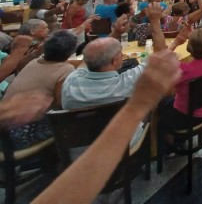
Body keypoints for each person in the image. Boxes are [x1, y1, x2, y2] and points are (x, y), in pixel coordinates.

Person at [32, 50, 181, 204]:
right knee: (154, 112)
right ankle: (154, 151)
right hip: (123, 143)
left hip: (77, 149)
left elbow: (81, 66)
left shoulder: (70, 81)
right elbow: (154, 66)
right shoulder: (128, 82)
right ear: (115, 61)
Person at [3, 30, 78, 149]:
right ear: (70, 52)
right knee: (76, 124)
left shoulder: (33, 62)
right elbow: (61, 104)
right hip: (21, 135)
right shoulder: (66, 69)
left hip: (5, 131)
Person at [157, 27, 202, 132]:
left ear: (189, 48)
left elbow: (160, 61)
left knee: (160, 104)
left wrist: (174, 43)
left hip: (189, 117)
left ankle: (166, 142)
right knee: (169, 99)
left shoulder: (183, 70)